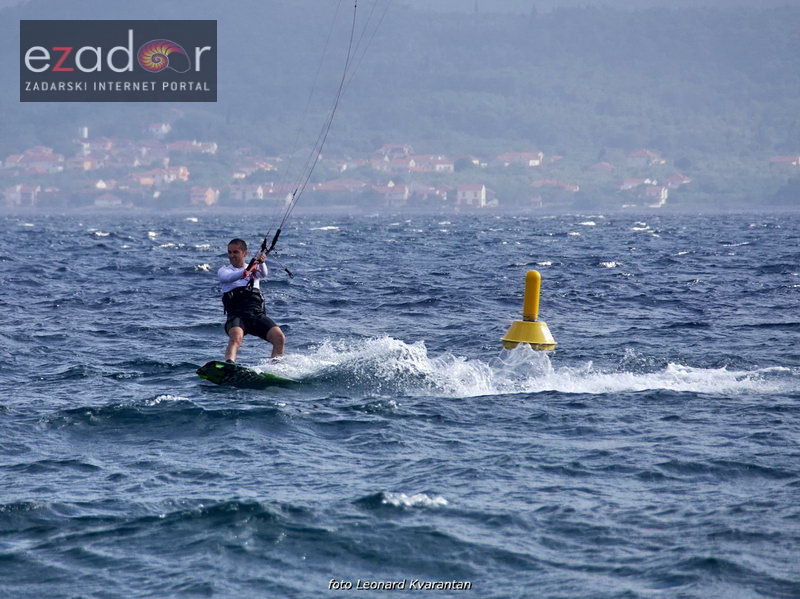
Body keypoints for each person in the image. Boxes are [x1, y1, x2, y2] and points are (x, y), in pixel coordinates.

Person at [217, 238, 285, 362]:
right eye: (229, 252)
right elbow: (228, 278)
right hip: (236, 315)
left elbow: (263, 274)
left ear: (245, 254)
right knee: (236, 337)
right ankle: (229, 364)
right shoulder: (224, 270)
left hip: (255, 315)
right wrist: (245, 271)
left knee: (279, 337)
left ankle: (276, 367)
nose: (231, 255)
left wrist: (261, 262)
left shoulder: (254, 269)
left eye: (235, 252)